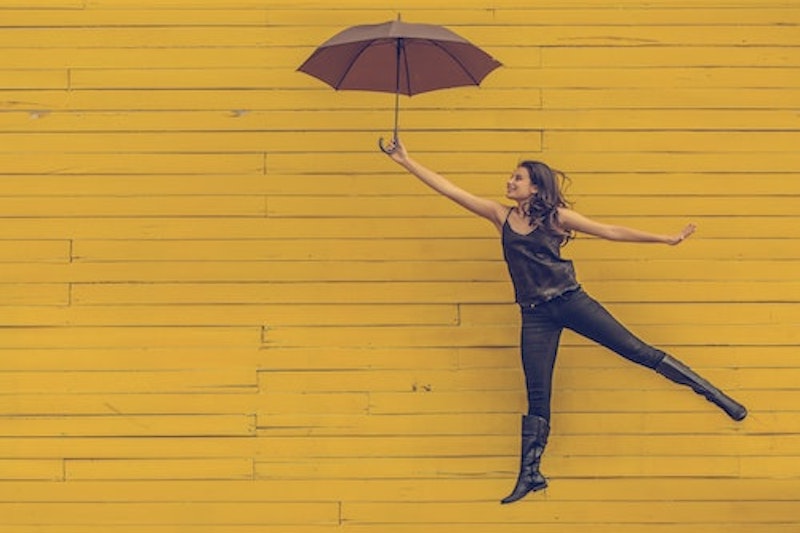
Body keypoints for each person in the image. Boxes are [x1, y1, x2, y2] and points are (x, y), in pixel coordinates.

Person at [381, 138, 747, 504]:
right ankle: (530, 474)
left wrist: (665, 239)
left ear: (535, 187)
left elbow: (610, 231)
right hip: (535, 315)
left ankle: (715, 395)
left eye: (517, 178)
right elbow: (450, 190)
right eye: (511, 177)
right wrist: (405, 161)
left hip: (572, 302)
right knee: (537, 393)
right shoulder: (500, 215)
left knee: (637, 351)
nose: (510, 182)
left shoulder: (556, 217)